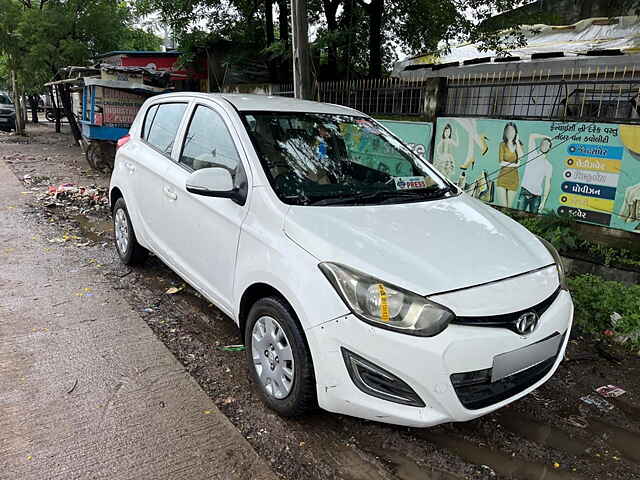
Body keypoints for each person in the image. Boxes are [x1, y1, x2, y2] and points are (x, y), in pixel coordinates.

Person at [518, 133, 553, 213]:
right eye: (543, 144)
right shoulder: (532, 154)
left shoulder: (548, 166)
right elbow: (532, 136)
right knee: (517, 217)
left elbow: (548, 184)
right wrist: (546, 137)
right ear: (540, 145)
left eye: (547, 145)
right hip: (525, 192)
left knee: (533, 219)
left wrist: (544, 201)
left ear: (549, 148)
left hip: (537, 196)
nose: (545, 146)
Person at [496, 122, 523, 208]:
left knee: (509, 208)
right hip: (502, 177)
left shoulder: (519, 144)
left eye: (512, 130)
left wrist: (517, 142)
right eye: (508, 130)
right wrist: (515, 165)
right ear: (505, 132)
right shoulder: (502, 144)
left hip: (514, 179)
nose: (510, 132)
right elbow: (501, 162)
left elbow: (521, 156)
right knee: (503, 207)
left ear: (515, 132)